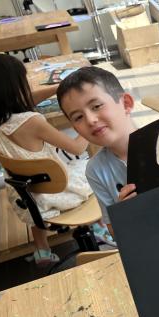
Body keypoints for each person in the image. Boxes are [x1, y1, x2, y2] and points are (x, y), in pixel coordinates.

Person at [0, 53, 96, 266]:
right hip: (61, 192)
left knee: (36, 182)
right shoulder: (32, 122)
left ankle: (42, 250)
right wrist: (90, 121)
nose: (26, 87)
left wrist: (59, 88)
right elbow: (76, 147)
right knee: (94, 166)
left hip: (28, 198)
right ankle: (101, 227)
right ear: (11, 88)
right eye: (23, 82)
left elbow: (25, 101)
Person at [56, 66, 137, 238]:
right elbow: (115, 233)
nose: (91, 120)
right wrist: (125, 213)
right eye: (78, 117)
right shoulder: (95, 169)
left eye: (96, 106)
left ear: (126, 104)